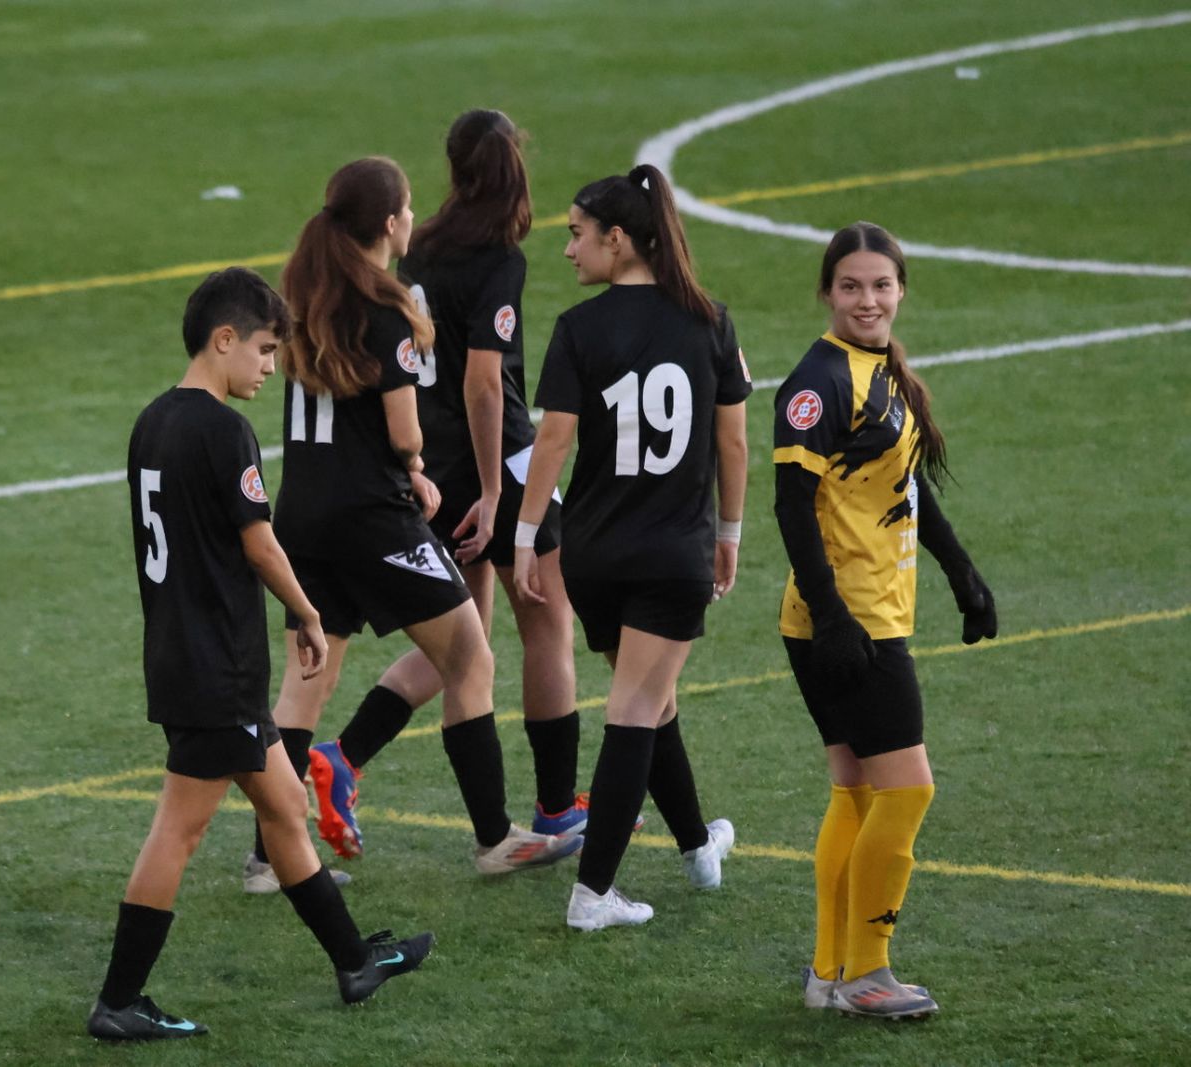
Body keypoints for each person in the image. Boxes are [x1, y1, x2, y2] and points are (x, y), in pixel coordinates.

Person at [87, 268, 432, 1042]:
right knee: (179, 828)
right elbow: (258, 539)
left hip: (182, 651)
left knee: (285, 808)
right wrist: (307, 610)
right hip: (219, 666)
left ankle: (353, 961)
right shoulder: (220, 428)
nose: (273, 366)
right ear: (224, 340)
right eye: (266, 349)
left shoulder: (152, 421)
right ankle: (118, 999)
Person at [250, 156, 579, 881]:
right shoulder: (387, 309)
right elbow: (404, 431)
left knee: (305, 681)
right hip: (371, 518)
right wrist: (419, 476)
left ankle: (269, 856)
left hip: (302, 513)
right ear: (393, 221)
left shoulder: (305, 301)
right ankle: (496, 837)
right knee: (469, 655)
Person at [514, 165, 749, 932]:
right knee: (637, 706)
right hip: (669, 551)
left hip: (593, 553)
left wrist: (525, 535)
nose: (569, 250)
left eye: (576, 235)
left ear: (619, 239)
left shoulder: (580, 328)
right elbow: (735, 443)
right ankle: (594, 892)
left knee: (654, 699)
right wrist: (729, 535)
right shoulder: (710, 320)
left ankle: (694, 844)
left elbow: (553, 439)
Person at [775, 221, 996, 1019]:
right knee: (905, 793)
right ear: (827, 293)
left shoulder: (878, 371)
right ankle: (867, 971)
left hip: (855, 615)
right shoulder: (820, 381)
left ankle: (831, 971)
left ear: (901, 289)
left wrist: (959, 567)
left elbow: (904, 482)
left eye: (880, 285)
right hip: (853, 623)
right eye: (851, 286)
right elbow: (791, 506)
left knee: (860, 793)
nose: (867, 299)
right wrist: (836, 618)